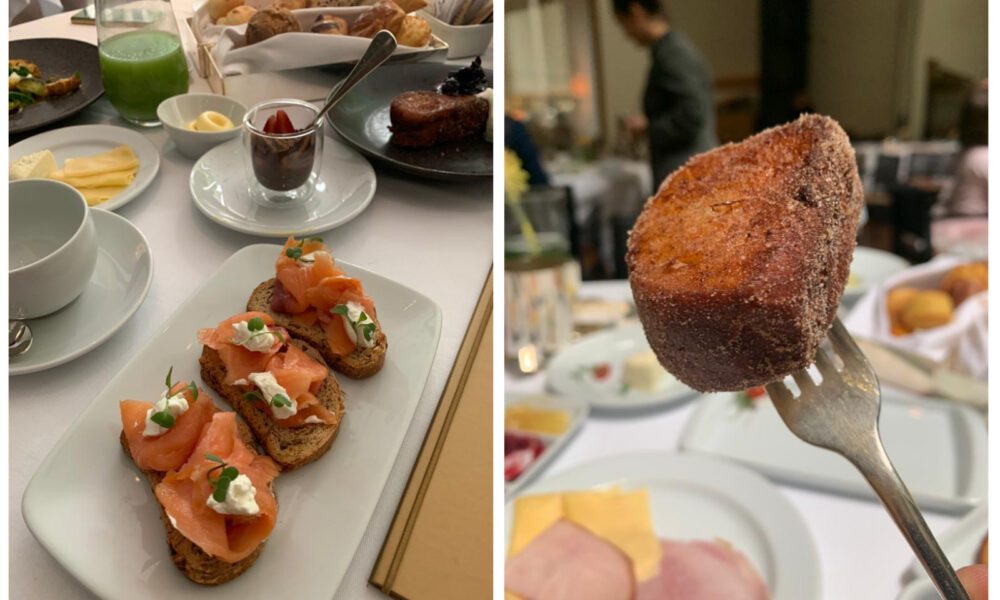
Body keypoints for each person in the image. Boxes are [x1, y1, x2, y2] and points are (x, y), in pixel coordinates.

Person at [612, 0, 718, 188]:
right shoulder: (669, 50)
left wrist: (647, 127)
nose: (626, 35)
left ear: (636, 12)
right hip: (689, 169)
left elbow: (692, 116)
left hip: (687, 174)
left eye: (623, 25)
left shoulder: (674, 54)